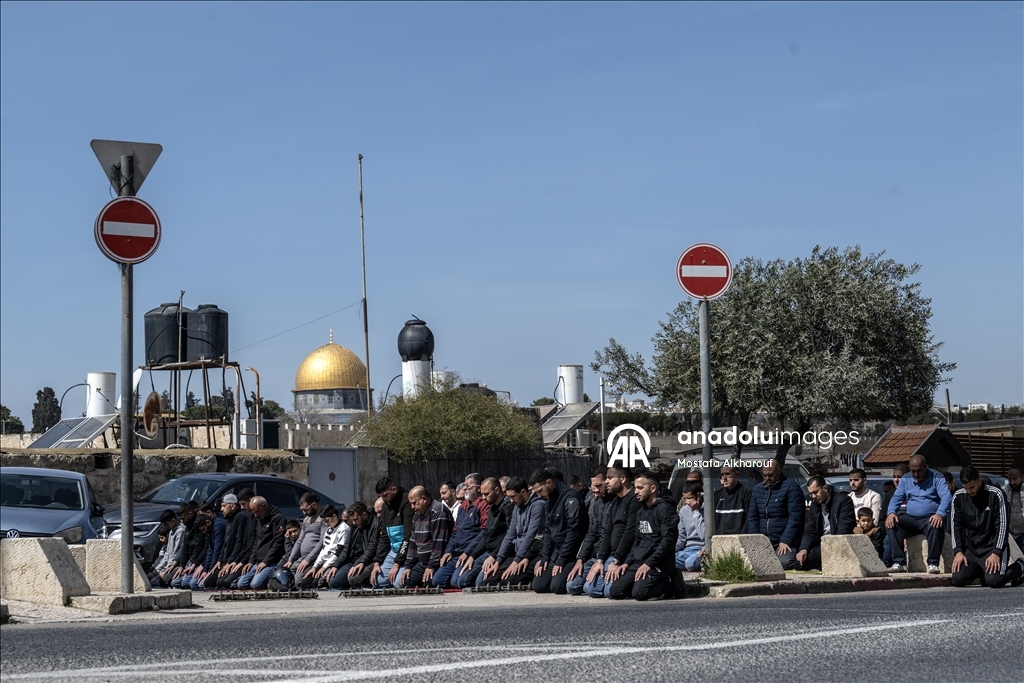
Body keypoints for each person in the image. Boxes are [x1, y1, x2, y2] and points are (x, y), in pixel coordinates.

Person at [608, 470, 679, 601]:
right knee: (615, 591)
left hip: (660, 562)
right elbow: (637, 540)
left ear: (653, 488)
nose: (636, 492)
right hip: (640, 560)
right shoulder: (641, 511)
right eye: (635, 488)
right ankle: (644, 583)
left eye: (640, 488)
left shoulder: (665, 509)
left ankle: (672, 582)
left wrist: (649, 564)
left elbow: (668, 541)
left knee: (640, 593)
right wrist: (627, 563)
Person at [950, 466, 1024, 588]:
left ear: (979, 481)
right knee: (957, 579)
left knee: (994, 581)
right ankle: (982, 571)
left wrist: (996, 552)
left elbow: (1002, 526)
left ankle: (1020, 565)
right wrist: (958, 551)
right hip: (971, 549)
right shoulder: (958, 497)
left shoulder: (995, 494)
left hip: (992, 548)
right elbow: (955, 526)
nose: (969, 491)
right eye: (966, 488)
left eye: (972, 487)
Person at [885, 455, 952, 573]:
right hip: (911, 518)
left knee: (936, 525)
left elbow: (946, 497)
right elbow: (897, 497)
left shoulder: (937, 477)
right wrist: (891, 512)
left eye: (919, 471)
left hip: (930, 518)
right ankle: (899, 562)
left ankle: (933, 563)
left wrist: (939, 514)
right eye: (913, 471)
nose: (916, 474)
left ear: (926, 467)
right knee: (892, 523)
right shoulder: (906, 478)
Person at [529, 468, 588, 595]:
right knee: (538, 585)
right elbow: (547, 531)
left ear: (549, 482)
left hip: (571, 552)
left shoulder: (570, 498)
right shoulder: (549, 501)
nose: (539, 495)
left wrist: (562, 559)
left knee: (557, 587)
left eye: (539, 490)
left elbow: (574, 532)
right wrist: (544, 558)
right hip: (557, 551)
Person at [586, 465, 641, 599]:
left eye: (610, 478)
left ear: (622, 479)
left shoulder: (634, 500)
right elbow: (607, 532)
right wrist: (600, 559)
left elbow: (630, 532)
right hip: (611, 556)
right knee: (590, 589)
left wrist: (617, 560)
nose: (606, 482)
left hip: (626, 557)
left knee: (610, 592)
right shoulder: (615, 502)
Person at [481, 477, 545, 587]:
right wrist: (498, 561)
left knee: (509, 581)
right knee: (490, 579)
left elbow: (530, 536)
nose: (511, 500)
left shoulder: (538, 505)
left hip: (531, 554)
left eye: (513, 496)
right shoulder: (516, 507)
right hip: (517, 553)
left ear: (523, 492)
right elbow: (510, 536)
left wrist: (517, 561)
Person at [747, 459, 805, 570]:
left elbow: (795, 518)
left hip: (784, 540)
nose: (767, 478)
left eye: (770, 475)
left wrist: (785, 541)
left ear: (779, 471)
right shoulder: (757, 490)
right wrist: (756, 539)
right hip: (763, 540)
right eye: (765, 475)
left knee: (783, 563)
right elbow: (752, 517)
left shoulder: (791, 487)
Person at [433, 473, 488, 588]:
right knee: (437, 580)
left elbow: (483, 532)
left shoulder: (483, 504)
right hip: (456, 553)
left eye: (468, 486)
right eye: (464, 485)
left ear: (478, 488)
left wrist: (467, 552)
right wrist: (448, 551)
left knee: (457, 581)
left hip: (470, 553)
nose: (464, 488)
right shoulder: (463, 506)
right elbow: (455, 532)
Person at [566, 466, 611, 595]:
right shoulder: (597, 503)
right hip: (595, 554)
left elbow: (610, 535)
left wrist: (600, 560)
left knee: (591, 589)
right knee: (571, 586)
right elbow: (592, 533)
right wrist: (580, 559)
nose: (595, 490)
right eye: (593, 486)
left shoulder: (615, 503)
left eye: (599, 486)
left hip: (608, 555)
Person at [461, 477, 512, 588]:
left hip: (499, 553)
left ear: (497, 490)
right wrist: (473, 555)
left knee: (480, 582)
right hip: (487, 552)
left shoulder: (508, 507)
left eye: (486, 494)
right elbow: (486, 535)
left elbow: (509, 536)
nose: (483, 497)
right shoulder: (491, 507)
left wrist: (494, 556)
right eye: (482, 494)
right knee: (461, 581)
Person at [796, 476, 856, 570]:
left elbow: (845, 528)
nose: (813, 496)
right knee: (800, 562)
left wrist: (833, 547)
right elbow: (810, 530)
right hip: (822, 545)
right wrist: (803, 549)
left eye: (815, 492)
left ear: (825, 488)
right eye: (811, 494)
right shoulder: (813, 505)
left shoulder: (843, 501)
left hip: (839, 545)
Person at [398, 487, 453, 588]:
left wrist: (431, 566)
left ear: (424, 499)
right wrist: (408, 566)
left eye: (414, 503)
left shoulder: (438, 512)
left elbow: (439, 544)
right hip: (423, 563)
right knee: (405, 581)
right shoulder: (417, 514)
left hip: (438, 562)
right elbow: (412, 542)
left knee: (431, 582)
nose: (412, 507)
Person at [369, 478, 414, 588]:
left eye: (385, 495)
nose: (383, 499)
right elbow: (384, 537)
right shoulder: (385, 506)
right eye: (381, 497)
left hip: (408, 550)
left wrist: (397, 564)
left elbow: (408, 536)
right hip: (394, 550)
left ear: (394, 489)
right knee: (377, 581)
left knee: (398, 583)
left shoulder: (406, 502)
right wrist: (377, 562)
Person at [236, 495, 287, 589]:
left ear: (264, 506)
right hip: (258, 561)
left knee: (256, 584)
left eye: (257, 511)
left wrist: (265, 562)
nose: (255, 515)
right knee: (241, 584)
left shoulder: (278, 518)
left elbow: (278, 542)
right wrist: (251, 561)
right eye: (253, 512)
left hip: (271, 561)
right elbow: (257, 542)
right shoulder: (260, 519)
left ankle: (271, 581)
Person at [214, 492, 256, 589]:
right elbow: (226, 543)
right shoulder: (230, 520)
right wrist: (220, 560)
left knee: (225, 582)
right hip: (237, 558)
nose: (221, 509)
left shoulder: (241, 517)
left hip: (247, 559)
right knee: (216, 581)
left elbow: (241, 543)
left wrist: (236, 562)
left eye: (224, 506)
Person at [301, 504, 348, 589]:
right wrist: (315, 566)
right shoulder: (329, 529)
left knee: (316, 583)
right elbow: (323, 549)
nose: (326, 524)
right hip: (322, 562)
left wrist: (324, 568)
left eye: (327, 520)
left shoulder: (343, 529)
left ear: (334, 516)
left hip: (332, 563)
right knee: (305, 582)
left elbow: (338, 552)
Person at [283, 493, 325, 581]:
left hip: (314, 559)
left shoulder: (323, 518)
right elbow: (299, 541)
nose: (304, 513)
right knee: (284, 574)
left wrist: (308, 559)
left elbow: (322, 542)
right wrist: (291, 560)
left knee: (297, 580)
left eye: (306, 510)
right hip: (302, 558)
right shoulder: (306, 520)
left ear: (314, 505)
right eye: (302, 510)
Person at [344, 501, 384, 589]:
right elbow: (346, 548)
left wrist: (362, 562)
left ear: (364, 515)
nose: (353, 523)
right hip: (364, 559)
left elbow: (373, 546)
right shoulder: (359, 526)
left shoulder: (376, 524)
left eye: (355, 519)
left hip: (376, 559)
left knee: (353, 579)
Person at [149, 509, 185, 587]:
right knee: (153, 580)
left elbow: (176, 552)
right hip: (168, 565)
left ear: (173, 520)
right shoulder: (171, 531)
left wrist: (167, 568)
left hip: (176, 564)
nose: (166, 526)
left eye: (167, 524)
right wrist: (158, 570)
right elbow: (167, 554)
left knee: (160, 581)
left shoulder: (180, 531)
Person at [881, 465, 908, 567]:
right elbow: (883, 516)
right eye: (894, 477)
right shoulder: (889, 495)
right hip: (892, 530)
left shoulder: (913, 493)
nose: (896, 480)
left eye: (899, 477)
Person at [675, 482, 705, 571]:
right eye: (685, 499)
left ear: (698, 495)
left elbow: (704, 536)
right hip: (688, 549)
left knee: (690, 563)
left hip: (702, 548)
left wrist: (695, 511)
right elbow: (681, 536)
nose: (687, 502)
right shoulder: (683, 511)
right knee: (666, 561)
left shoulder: (708, 508)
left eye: (690, 498)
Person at [714, 466, 751, 535]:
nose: (724, 478)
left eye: (727, 474)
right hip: (719, 538)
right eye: (722, 475)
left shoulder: (746, 493)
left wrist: (742, 537)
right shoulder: (717, 495)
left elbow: (749, 519)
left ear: (737, 474)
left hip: (739, 537)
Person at [1005, 468, 1024, 551]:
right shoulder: (1005, 491)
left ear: (1022, 477)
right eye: (1010, 479)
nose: (1012, 482)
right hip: (1009, 536)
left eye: (1015, 479)